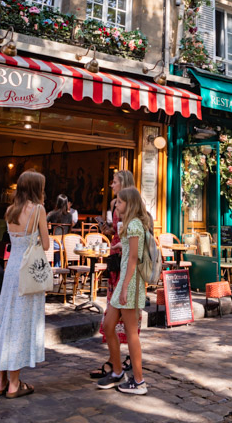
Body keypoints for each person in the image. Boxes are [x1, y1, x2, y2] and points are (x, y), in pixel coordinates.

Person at [0, 170, 50, 399]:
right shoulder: (39, 210)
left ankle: (1, 381)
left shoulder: (10, 211)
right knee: (21, 324)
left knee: (6, 321)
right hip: (29, 273)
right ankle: (14, 383)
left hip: (11, 270)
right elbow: (46, 244)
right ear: (36, 188)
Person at [97, 186, 150, 395]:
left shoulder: (135, 224)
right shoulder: (129, 225)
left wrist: (125, 286)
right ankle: (118, 371)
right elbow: (131, 251)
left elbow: (135, 259)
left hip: (131, 281)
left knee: (130, 332)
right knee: (108, 325)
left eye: (119, 202)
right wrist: (122, 247)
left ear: (129, 203)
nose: (116, 205)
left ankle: (139, 381)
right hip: (126, 281)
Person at [90, 169, 135, 380]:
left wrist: (121, 239)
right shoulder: (113, 204)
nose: (111, 185)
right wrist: (106, 228)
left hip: (127, 260)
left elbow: (133, 232)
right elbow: (115, 231)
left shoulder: (132, 204)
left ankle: (125, 362)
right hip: (115, 258)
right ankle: (115, 360)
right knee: (111, 311)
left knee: (126, 315)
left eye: (114, 182)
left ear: (123, 183)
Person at [47, 194, 72, 266]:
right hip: (66, 242)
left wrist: (49, 227)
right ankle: (60, 266)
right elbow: (70, 229)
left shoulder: (51, 214)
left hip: (54, 242)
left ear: (57, 202)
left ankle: (56, 267)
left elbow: (44, 222)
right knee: (59, 246)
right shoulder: (69, 215)